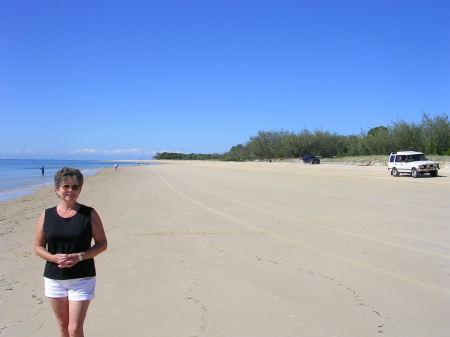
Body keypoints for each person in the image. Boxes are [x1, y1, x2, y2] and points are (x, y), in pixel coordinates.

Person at [34, 167, 108, 337]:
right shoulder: (47, 215)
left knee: (74, 329)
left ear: (80, 189)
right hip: (54, 278)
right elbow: (38, 246)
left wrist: (79, 257)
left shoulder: (89, 214)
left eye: (75, 187)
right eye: (66, 186)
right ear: (57, 189)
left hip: (82, 278)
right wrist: (52, 257)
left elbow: (102, 244)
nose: (70, 190)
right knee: (63, 327)